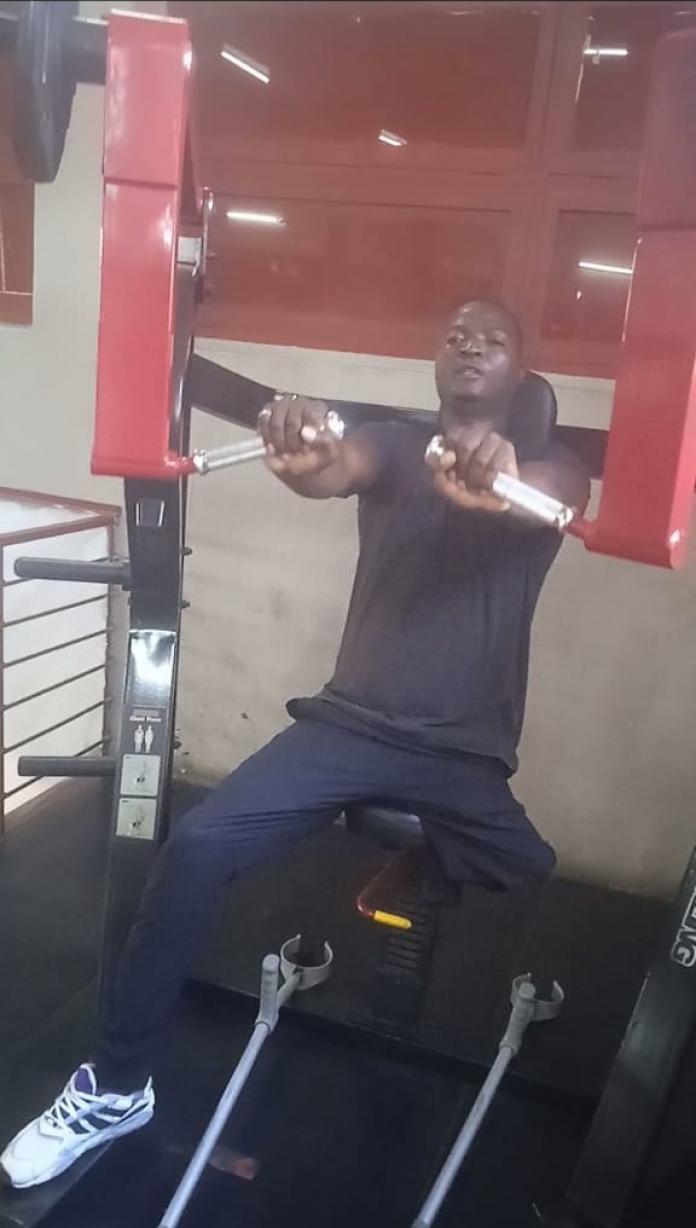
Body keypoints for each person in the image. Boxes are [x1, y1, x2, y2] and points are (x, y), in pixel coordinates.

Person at [1, 298, 590, 1188]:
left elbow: (542, 503)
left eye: (493, 339)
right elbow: (333, 465)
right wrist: (303, 456)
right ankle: (118, 1086)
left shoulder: (550, 466)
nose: (470, 345)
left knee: (528, 867)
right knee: (197, 846)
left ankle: (411, 869)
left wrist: (499, 481)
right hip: (349, 722)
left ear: (522, 371)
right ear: (438, 361)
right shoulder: (397, 445)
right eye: (455, 332)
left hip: (465, 749)